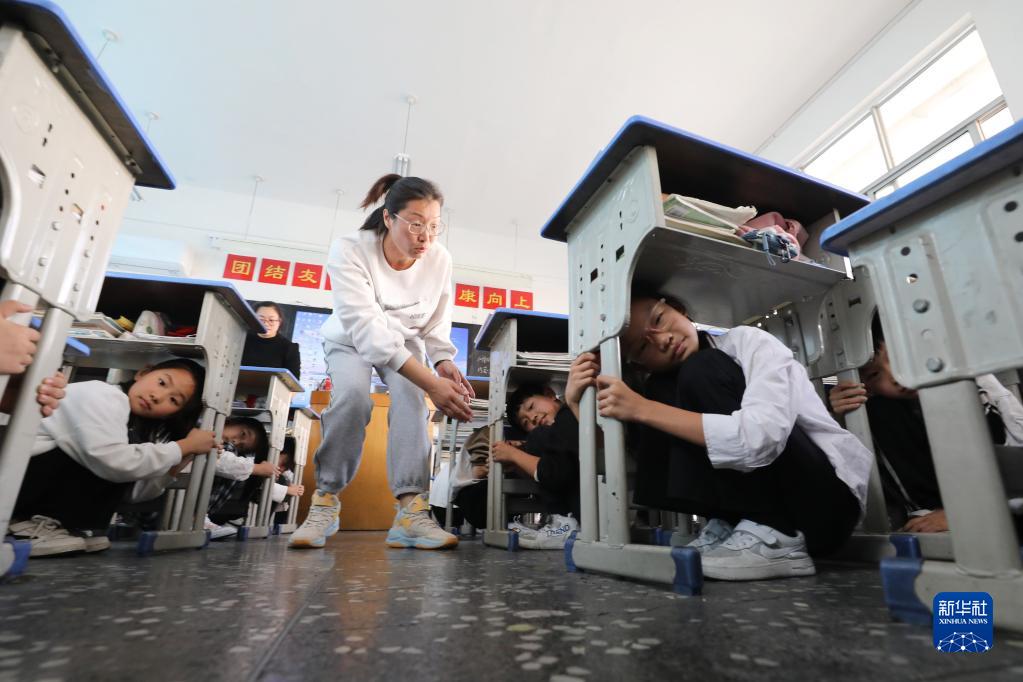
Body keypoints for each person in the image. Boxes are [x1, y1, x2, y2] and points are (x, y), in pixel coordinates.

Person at [574, 291, 873, 580]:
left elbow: (760, 439)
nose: (663, 340)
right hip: (757, 523)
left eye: (660, 319)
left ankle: (775, 531)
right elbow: (631, 465)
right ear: (639, 364)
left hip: (825, 505)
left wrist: (643, 408)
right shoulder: (660, 388)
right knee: (662, 391)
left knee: (699, 369)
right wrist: (578, 402)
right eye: (642, 347)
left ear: (679, 309)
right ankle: (733, 523)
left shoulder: (746, 342)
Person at [289, 174, 474, 551]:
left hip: (405, 339)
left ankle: (410, 512)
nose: (426, 237)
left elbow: (438, 315)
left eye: (434, 226)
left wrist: (441, 359)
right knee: (353, 399)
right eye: (416, 224)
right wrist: (432, 383)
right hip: (350, 338)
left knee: (412, 401)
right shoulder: (350, 249)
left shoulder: (439, 258)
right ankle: (325, 500)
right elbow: (368, 332)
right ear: (389, 218)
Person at [828, 315, 1023, 533]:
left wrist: (966, 511)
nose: (896, 377)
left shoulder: (970, 381)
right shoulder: (883, 411)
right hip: (932, 509)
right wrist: (839, 415)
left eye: (900, 357)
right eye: (874, 374)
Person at [10, 358, 217, 556]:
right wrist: (183, 447)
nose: (157, 396)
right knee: (110, 457)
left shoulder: (131, 425)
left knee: (118, 458)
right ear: (143, 373)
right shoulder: (102, 394)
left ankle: (59, 527)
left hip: (25, 485)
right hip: (14, 487)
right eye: (162, 382)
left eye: (173, 400)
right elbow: (116, 463)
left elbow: (132, 491)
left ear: (171, 414)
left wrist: (185, 454)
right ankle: (22, 524)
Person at [241, 302, 302, 379]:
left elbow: (293, 381)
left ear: (279, 322)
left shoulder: (289, 348)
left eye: (271, 320)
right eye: (261, 319)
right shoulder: (241, 339)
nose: (266, 324)